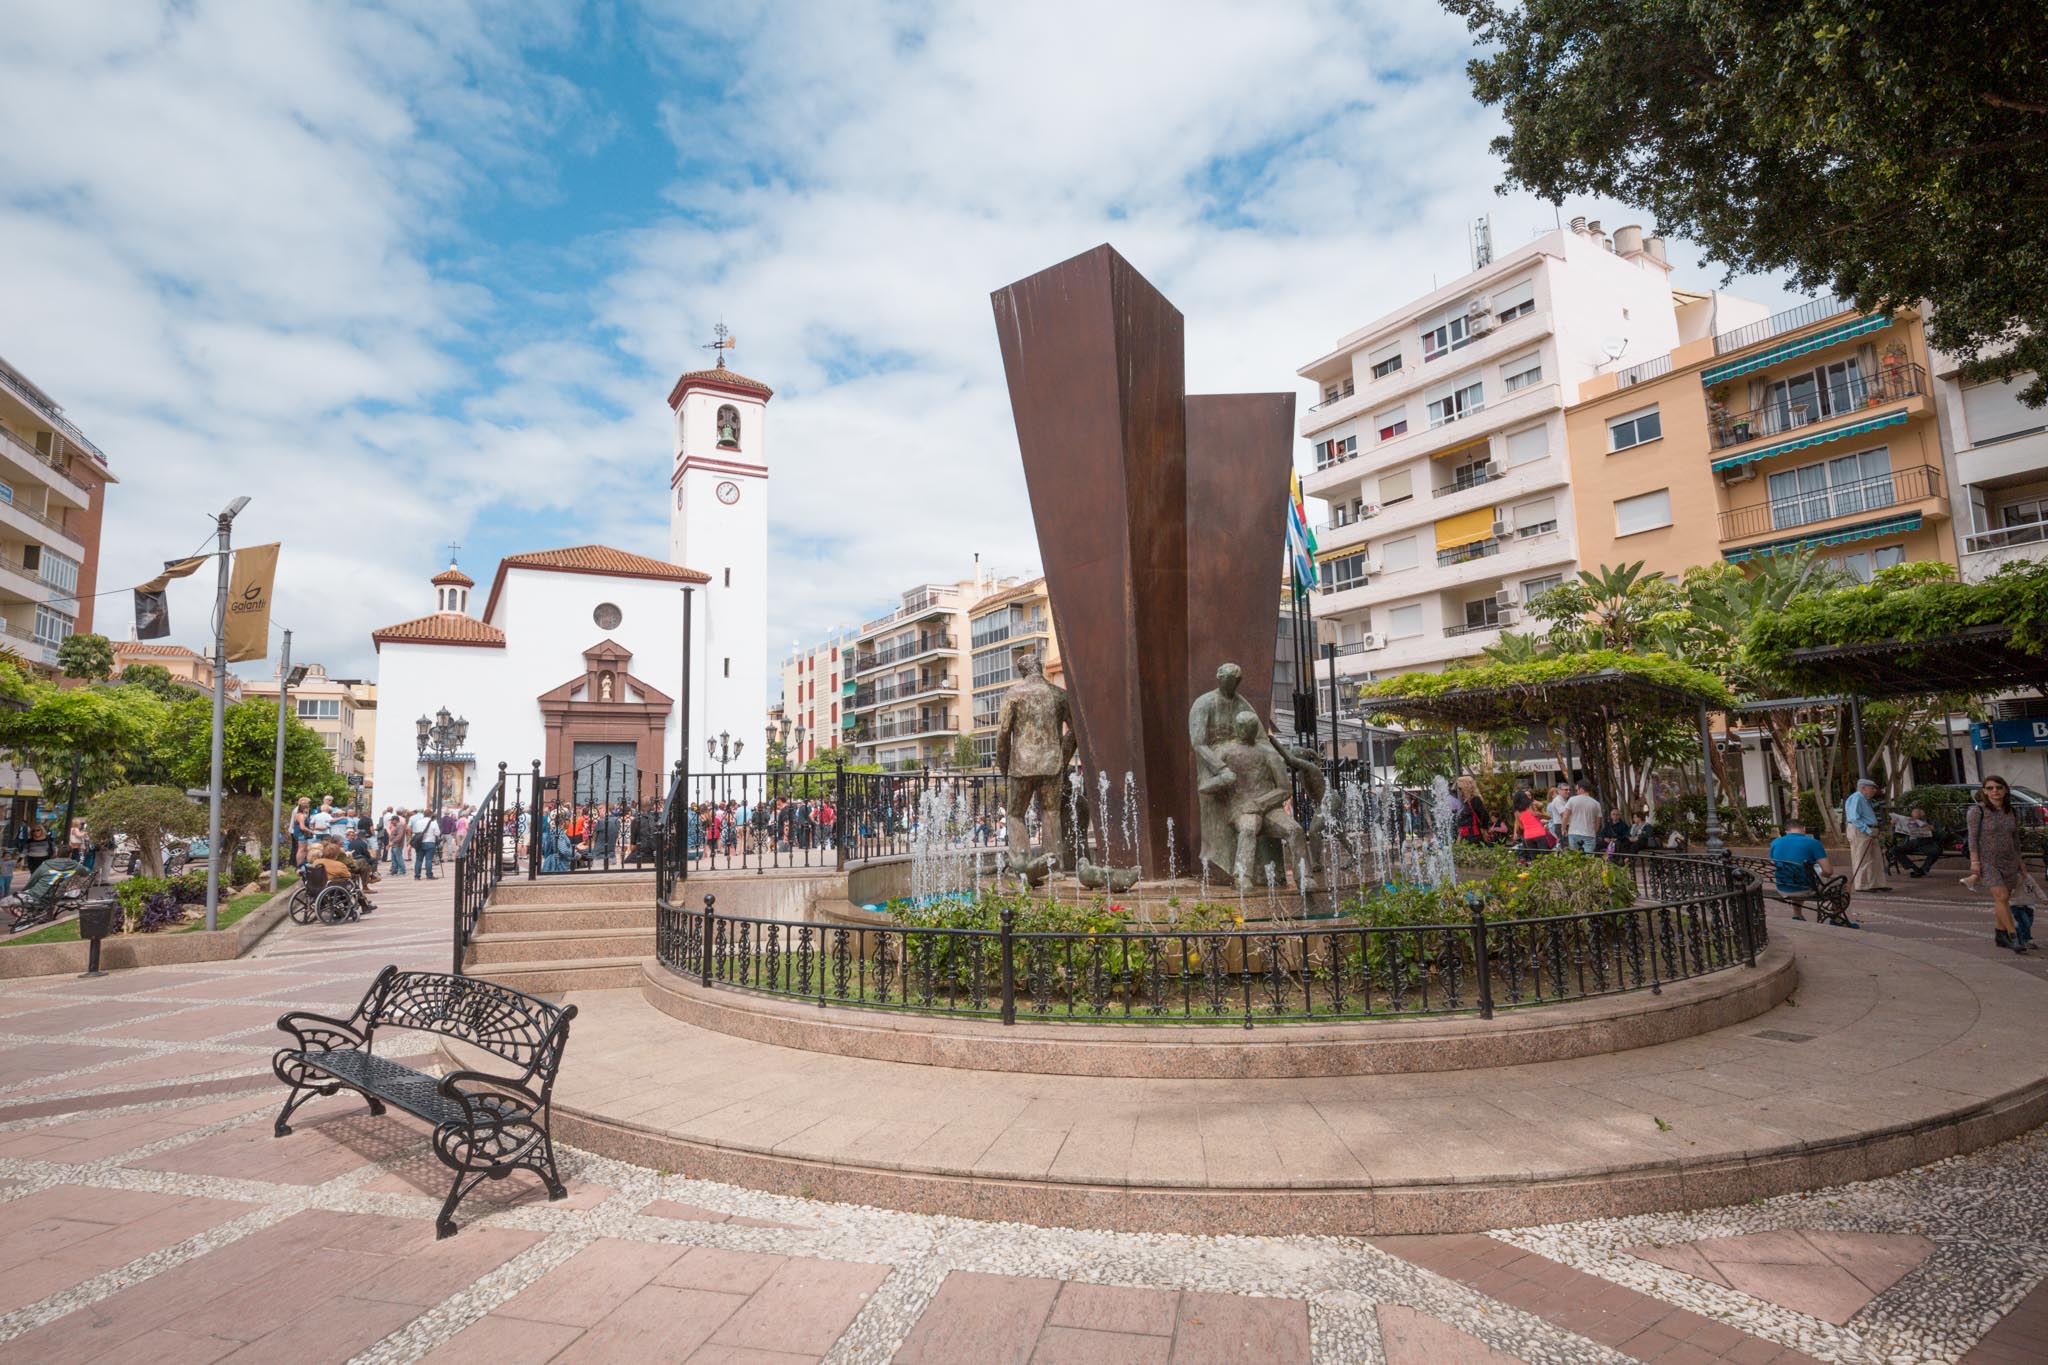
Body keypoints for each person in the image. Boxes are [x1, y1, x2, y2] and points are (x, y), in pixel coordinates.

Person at [1968, 775, 2033, 953]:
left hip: (2010, 861)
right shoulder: (1977, 811)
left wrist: (2020, 862)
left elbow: (2015, 839)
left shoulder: (2011, 811)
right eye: (1990, 788)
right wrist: (1975, 862)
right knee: (2001, 896)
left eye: (1998, 787)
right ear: (1984, 791)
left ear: (2005, 790)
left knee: (2002, 900)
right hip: (1987, 861)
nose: (1994, 791)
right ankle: (2013, 935)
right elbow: (1972, 838)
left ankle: (2000, 934)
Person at [1768, 818, 1832, 920]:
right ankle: (1836, 918)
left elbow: (1773, 863)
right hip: (1805, 889)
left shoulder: (1775, 842)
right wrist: (1822, 876)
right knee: (1843, 883)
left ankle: (1797, 914)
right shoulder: (1813, 843)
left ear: (1786, 831)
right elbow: (1828, 871)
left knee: (1796, 875)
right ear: (1804, 829)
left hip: (1782, 888)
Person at [1844, 776, 1891, 893]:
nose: (1874, 790)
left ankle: (1877, 883)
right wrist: (1868, 830)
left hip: (1869, 829)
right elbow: (1854, 818)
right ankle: (1863, 885)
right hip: (1861, 830)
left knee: (1875, 858)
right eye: (1872, 788)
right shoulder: (1857, 798)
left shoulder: (1864, 799)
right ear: (1863, 788)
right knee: (1862, 858)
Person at [1890, 806, 1943, 878]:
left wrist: (1933, 830)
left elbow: (1941, 835)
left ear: (1923, 816)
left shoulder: (1932, 822)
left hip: (1925, 843)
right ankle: (1914, 868)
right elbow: (1899, 834)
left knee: (1935, 852)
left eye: (1918, 819)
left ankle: (1923, 869)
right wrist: (1894, 826)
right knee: (1894, 850)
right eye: (1913, 818)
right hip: (1911, 843)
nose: (1915, 820)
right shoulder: (1910, 822)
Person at [1511, 789, 1554, 859]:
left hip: (1528, 836)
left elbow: (1521, 826)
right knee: (1545, 856)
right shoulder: (1531, 805)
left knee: (1534, 858)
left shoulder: (1516, 812)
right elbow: (1541, 811)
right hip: (1539, 833)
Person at [1564, 780, 1603, 853]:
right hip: (1589, 834)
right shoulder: (1596, 803)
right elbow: (1598, 821)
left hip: (1574, 832)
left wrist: (1563, 828)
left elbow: (1565, 816)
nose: (1576, 792)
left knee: (1574, 856)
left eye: (1577, 790)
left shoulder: (1572, 800)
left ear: (1581, 789)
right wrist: (1594, 831)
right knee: (1589, 857)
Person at [1454, 775, 1490, 844]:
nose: (1459, 791)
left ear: (1466, 787)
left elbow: (1484, 815)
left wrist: (1483, 830)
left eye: (1460, 788)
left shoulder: (1475, 800)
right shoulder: (1467, 801)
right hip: (1466, 835)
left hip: (1474, 836)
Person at [409, 808, 439, 880]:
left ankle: (417, 876)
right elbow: (437, 833)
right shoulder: (433, 822)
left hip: (420, 842)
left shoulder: (418, 822)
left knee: (419, 860)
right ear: (431, 815)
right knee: (428, 860)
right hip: (430, 842)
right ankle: (429, 875)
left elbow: (415, 832)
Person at [385, 809, 407, 876]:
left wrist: (392, 842)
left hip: (397, 845)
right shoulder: (396, 826)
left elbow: (399, 836)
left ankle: (402, 871)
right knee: (394, 859)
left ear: (396, 820)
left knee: (398, 858)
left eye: (392, 820)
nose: (391, 822)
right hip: (394, 845)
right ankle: (394, 871)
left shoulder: (400, 825)